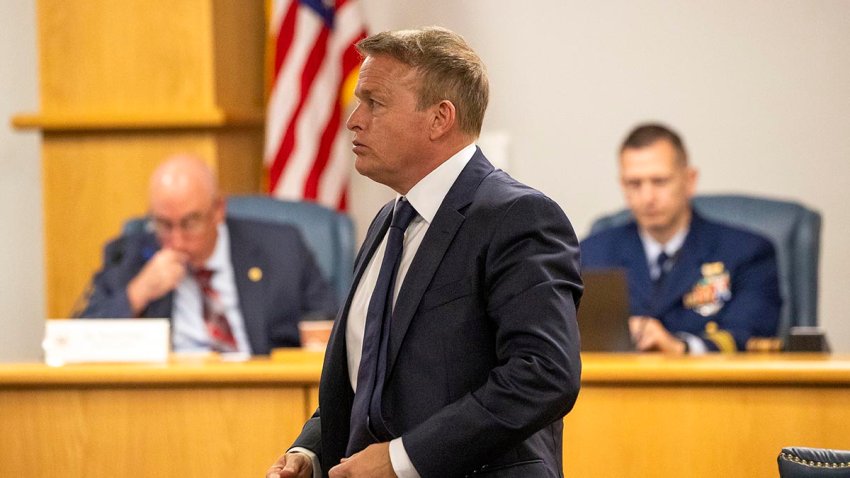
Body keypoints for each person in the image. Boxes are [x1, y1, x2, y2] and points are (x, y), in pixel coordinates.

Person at [266, 27, 582, 478]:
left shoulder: (518, 216)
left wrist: (401, 460)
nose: (354, 119)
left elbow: (544, 374)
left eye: (373, 102)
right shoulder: (388, 221)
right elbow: (372, 379)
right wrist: (312, 451)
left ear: (439, 118)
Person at [78, 154, 337, 354]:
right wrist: (138, 293)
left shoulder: (281, 248)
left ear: (218, 210)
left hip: (263, 396)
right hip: (167, 401)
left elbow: (329, 323)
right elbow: (77, 340)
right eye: (164, 224)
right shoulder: (131, 256)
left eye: (190, 222)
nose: (176, 240)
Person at [580, 123, 781, 354]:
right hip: (620, 386)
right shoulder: (592, 255)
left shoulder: (746, 252)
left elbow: (752, 333)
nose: (647, 197)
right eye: (634, 184)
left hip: (711, 386)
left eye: (660, 181)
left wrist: (682, 347)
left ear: (689, 180)